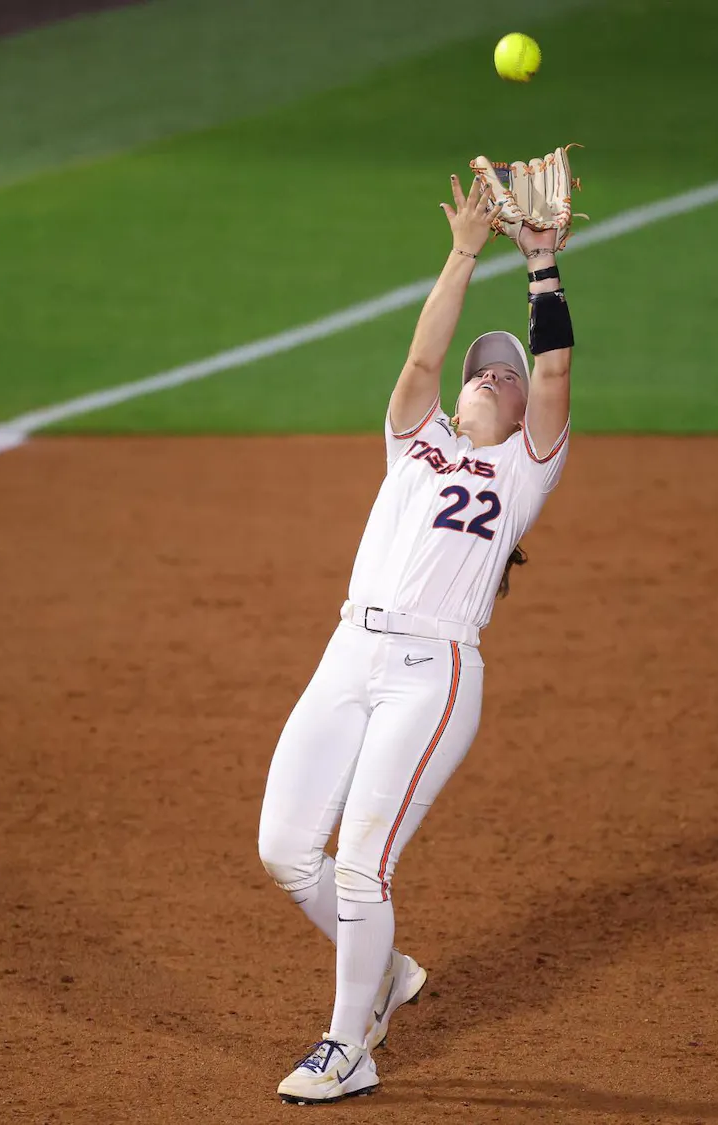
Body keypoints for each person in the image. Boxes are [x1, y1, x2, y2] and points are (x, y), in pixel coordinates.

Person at [257, 172, 575, 1105]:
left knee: (363, 860)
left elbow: (555, 369)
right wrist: (465, 250)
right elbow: (416, 364)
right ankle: (386, 965)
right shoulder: (416, 441)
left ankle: (347, 1046)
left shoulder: (524, 474)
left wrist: (541, 263)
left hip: (432, 672)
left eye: (505, 374)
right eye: (485, 367)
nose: (492, 373)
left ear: (523, 415)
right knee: (285, 851)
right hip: (346, 656)